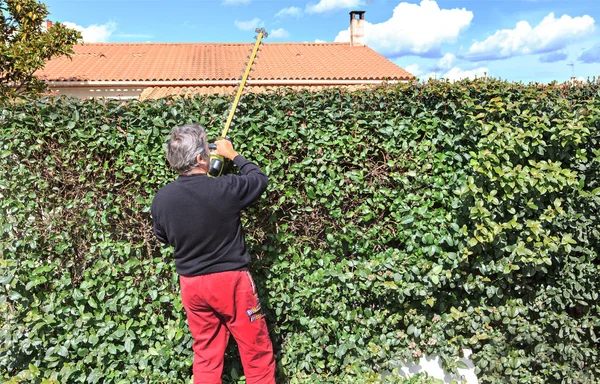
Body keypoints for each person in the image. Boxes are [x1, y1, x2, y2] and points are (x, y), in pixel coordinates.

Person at [151, 124, 276, 384]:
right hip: (230, 283)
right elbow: (258, 180)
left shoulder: (161, 199)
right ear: (199, 158)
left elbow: (162, 237)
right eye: (207, 149)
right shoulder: (225, 188)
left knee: (206, 354)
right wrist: (234, 155)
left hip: (192, 285)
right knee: (256, 350)